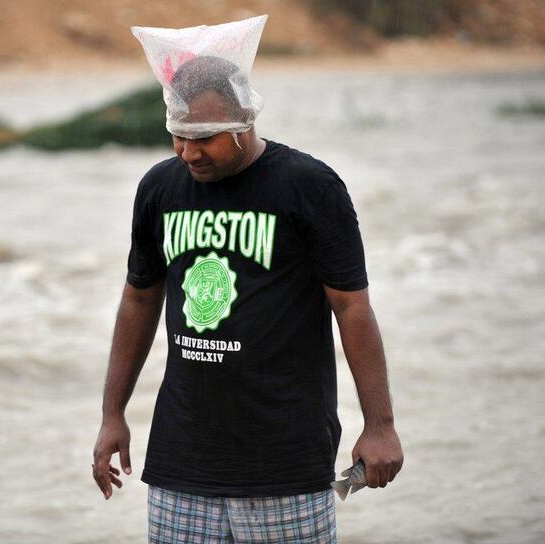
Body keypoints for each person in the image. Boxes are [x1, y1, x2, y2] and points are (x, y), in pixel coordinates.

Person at [92, 55, 403, 543]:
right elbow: (139, 299)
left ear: (245, 121)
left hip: (286, 464)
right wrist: (113, 413)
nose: (189, 152)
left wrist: (380, 425)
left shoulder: (309, 186)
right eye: (179, 134)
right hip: (182, 462)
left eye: (205, 138)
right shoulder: (160, 187)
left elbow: (351, 306)